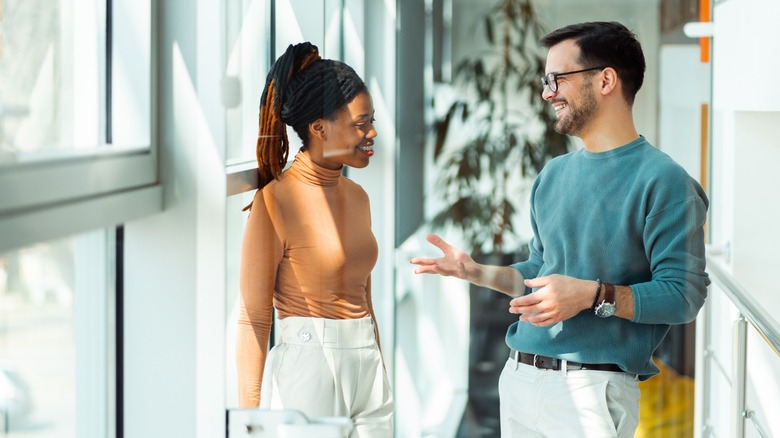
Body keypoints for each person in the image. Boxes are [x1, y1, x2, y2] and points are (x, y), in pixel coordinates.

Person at [410, 21, 709, 437]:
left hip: (591, 391)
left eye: (557, 79)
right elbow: (540, 268)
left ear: (605, 80)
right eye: (545, 80)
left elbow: (684, 295)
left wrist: (592, 295)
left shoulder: (666, 182)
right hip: (520, 378)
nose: (548, 93)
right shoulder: (552, 174)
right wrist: (476, 272)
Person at [236, 42, 393, 436]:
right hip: (308, 369)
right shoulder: (275, 201)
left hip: (367, 365)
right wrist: (249, 418)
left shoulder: (358, 197)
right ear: (319, 128)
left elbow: (364, 297)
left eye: (371, 120)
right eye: (361, 124)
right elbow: (254, 318)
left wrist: (379, 368)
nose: (372, 132)